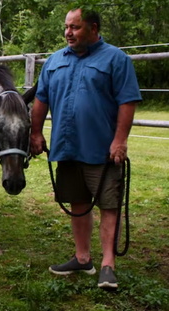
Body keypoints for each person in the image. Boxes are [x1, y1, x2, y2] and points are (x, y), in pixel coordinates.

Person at [30, 8, 142, 291]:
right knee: (77, 203)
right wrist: (35, 132)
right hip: (66, 148)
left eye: (75, 27)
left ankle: (107, 266)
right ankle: (82, 257)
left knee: (108, 205)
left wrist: (120, 140)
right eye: (67, 27)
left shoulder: (116, 59)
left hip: (101, 150)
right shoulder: (54, 61)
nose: (68, 32)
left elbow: (127, 101)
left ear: (93, 28)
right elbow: (41, 100)